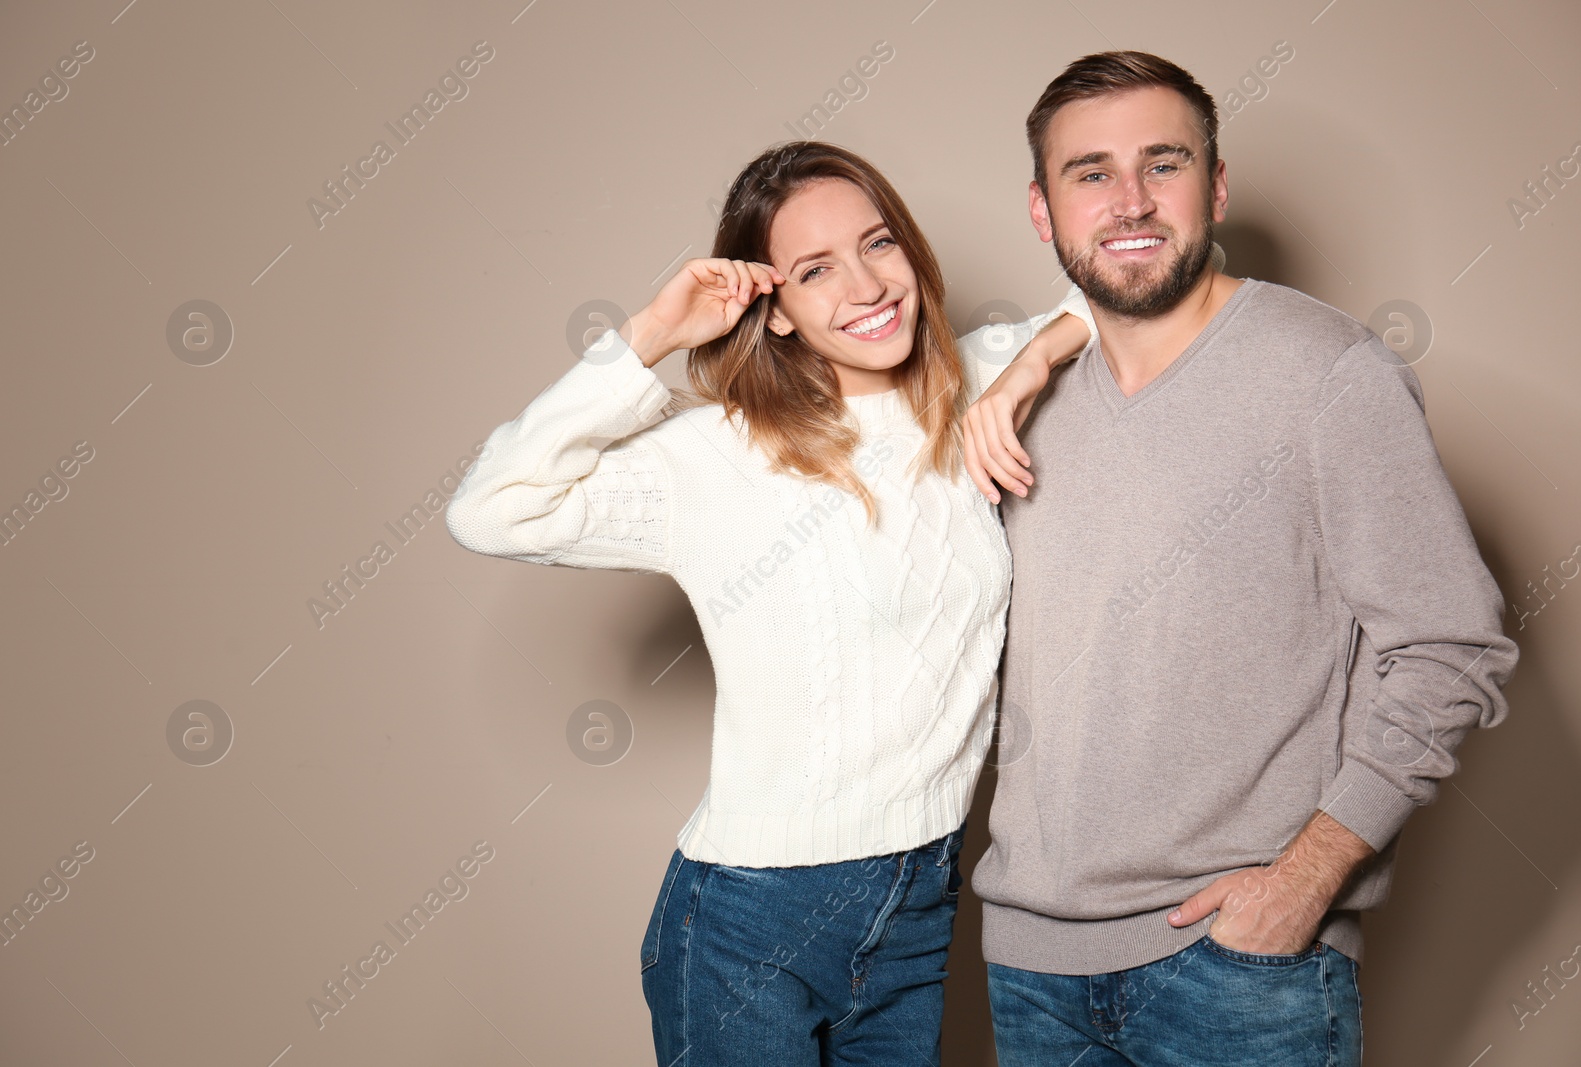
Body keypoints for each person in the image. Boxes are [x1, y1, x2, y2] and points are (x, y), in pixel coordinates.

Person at [444, 141, 1094, 1066]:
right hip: (751, 920)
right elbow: (490, 506)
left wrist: (1034, 363)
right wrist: (653, 333)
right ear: (774, 310)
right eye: (815, 270)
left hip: (920, 898)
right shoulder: (718, 455)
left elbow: (1151, 289)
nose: (866, 286)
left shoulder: (977, 384)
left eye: (879, 245)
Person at [959, 51, 1518, 1065]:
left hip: (1240, 966)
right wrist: (1034, 354)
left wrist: (1306, 879)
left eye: (1161, 164)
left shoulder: (1328, 372)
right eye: (1089, 173)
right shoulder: (1011, 395)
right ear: (1042, 212)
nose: (1128, 201)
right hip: (1030, 966)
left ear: (1214, 186)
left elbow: (1451, 645)